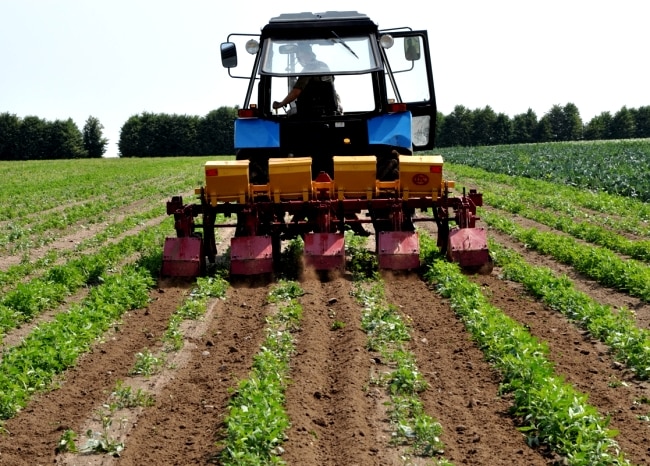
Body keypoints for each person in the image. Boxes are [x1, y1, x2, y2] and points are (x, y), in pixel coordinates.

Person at [273, 44, 341, 115]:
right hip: (329, 111)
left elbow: (296, 92)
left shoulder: (308, 69)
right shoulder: (324, 65)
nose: (299, 60)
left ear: (306, 55)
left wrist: (281, 104)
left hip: (310, 113)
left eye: (299, 57)